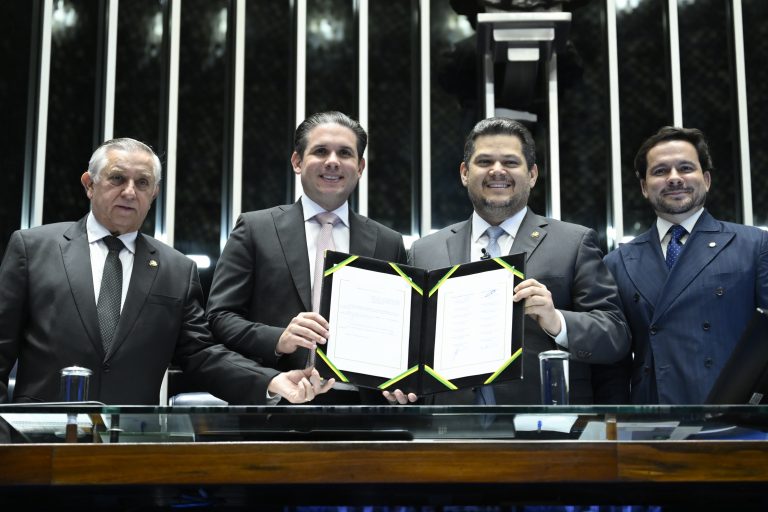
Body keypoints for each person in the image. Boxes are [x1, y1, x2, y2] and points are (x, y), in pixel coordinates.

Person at [0, 138, 333, 405]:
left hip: (130, 445)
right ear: (89, 184)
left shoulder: (176, 269)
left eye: (142, 183)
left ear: (154, 193)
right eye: (117, 178)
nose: (130, 191)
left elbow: (201, 355)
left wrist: (270, 381)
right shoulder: (33, 248)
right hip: (38, 440)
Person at [396, 117, 630, 406]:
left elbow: (616, 334)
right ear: (465, 173)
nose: (497, 171)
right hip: (448, 430)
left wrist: (556, 320)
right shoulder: (424, 251)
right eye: (484, 162)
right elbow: (407, 345)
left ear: (532, 174)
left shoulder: (574, 242)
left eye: (510, 162)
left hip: (543, 427)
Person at [206, 111, 407, 404]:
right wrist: (277, 338)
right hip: (277, 402)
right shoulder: (255, 229)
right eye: (321, 151)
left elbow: (401, 331)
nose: (333, 161)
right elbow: (219, 318)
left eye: (345, 153)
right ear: (297, 162)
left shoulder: (389, 242)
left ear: (360, 167)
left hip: (364, 412)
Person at [604, 126, 768, 404]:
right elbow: (613, 365)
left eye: (685, 168)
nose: (674, 178)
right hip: (653, 417)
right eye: (660, 171)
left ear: (706, 179)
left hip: (735, 414)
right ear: (644, 187)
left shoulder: (755, 245)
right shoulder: (617, 262)